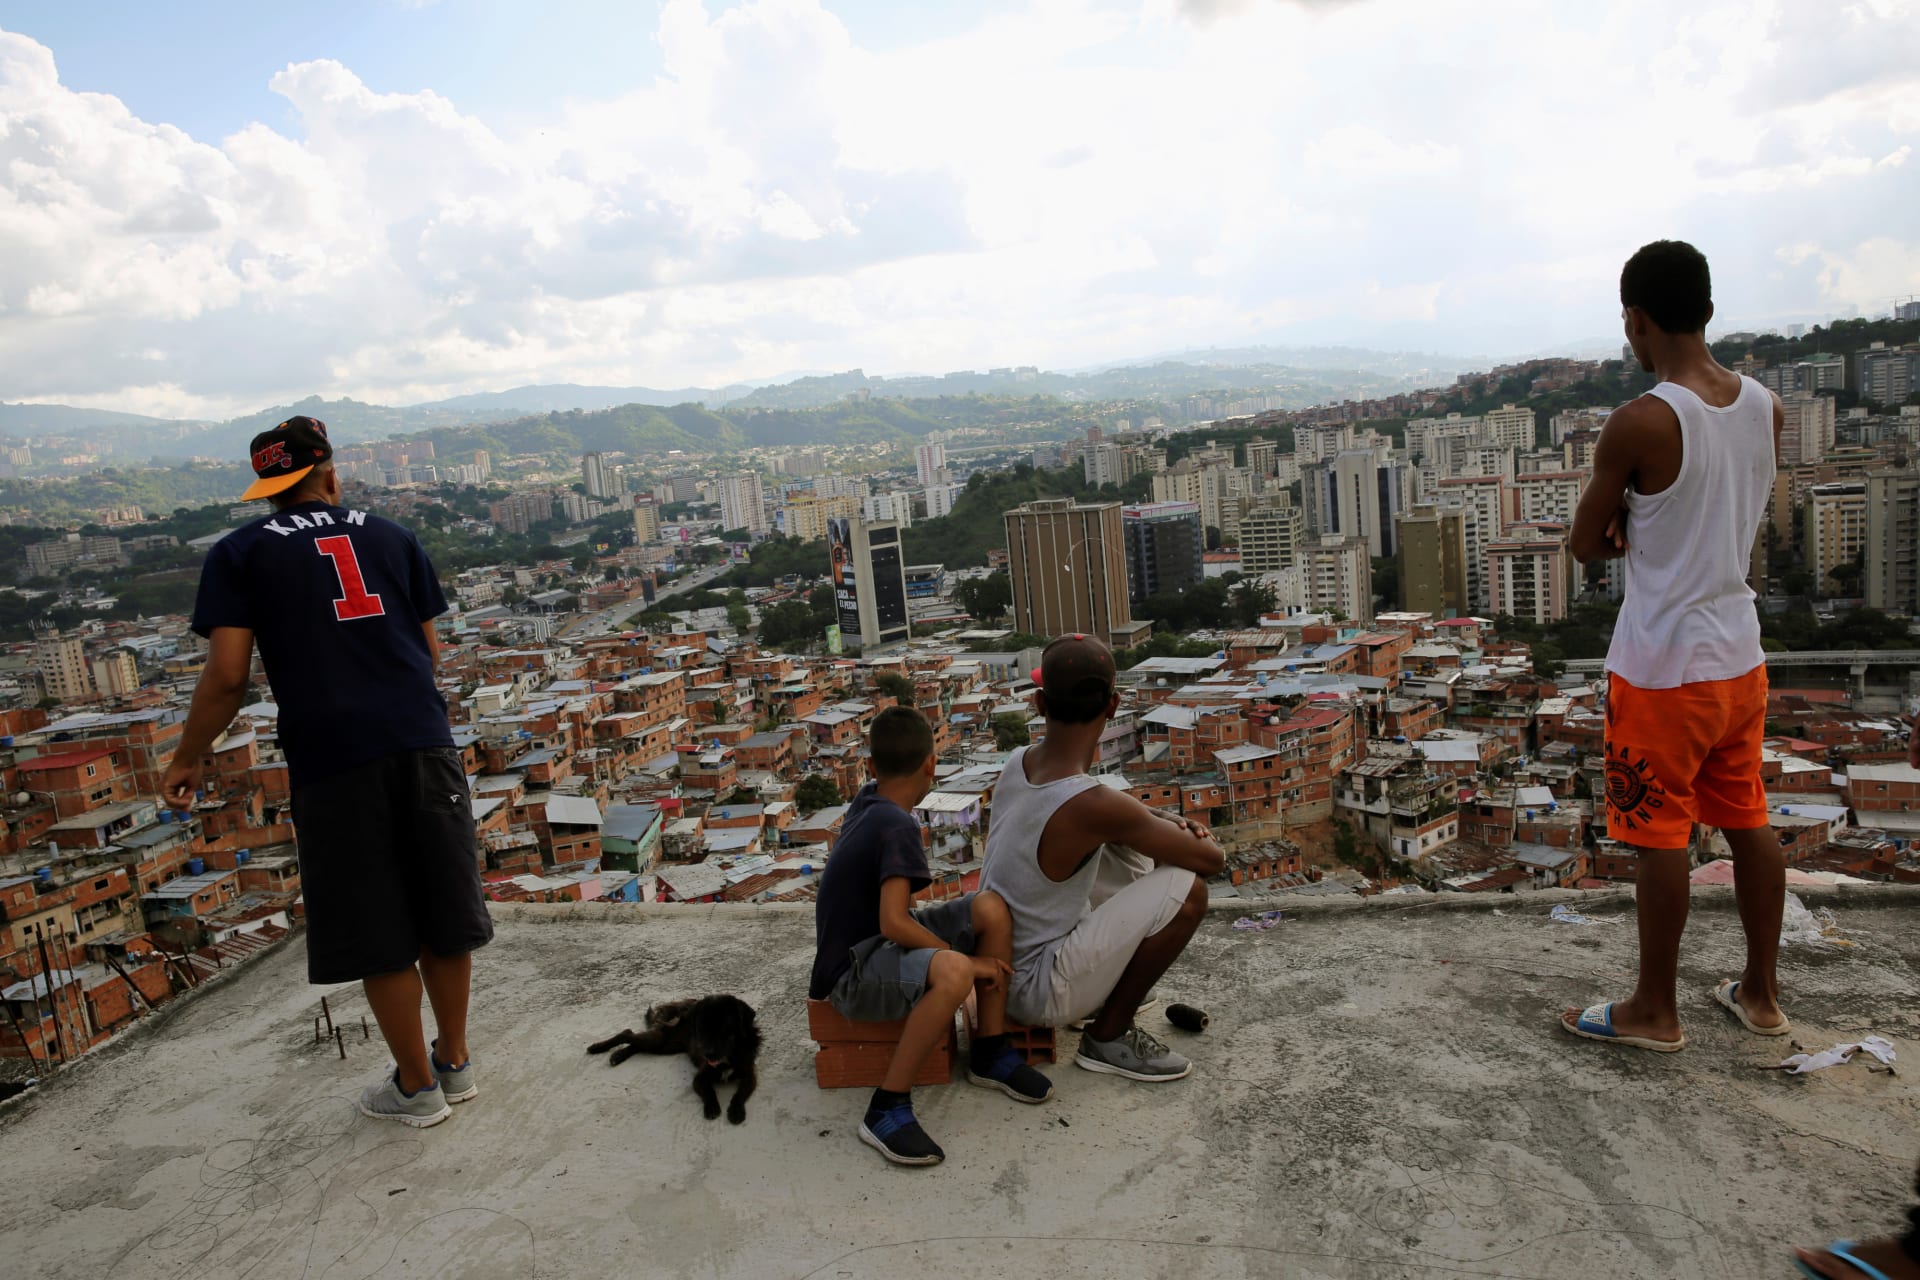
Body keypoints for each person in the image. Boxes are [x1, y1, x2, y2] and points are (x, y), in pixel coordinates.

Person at [162, 416, 490, 1128]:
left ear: (268, 491)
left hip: (335, 758)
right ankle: (455, 1063)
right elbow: (430, 653)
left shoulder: (240, 553)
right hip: (424, 743)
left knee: (380, 925)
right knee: (443, 913)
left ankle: (414, 1086)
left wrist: (187, 754)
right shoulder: (393, 535)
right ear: (331, 474)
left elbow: (226, 679)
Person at [1562, 240, 1785, 1052]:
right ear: (1710, 310)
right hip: (1739, 656)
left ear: (1636, 320)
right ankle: (1760, 993)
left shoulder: (1643, 420)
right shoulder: (1766, 404)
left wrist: (1623, 516)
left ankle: (1656, 1009)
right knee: (1747, 820)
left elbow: (1585, 544)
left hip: (1663, 668)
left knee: (1660, 837)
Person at [809, 704, 1052, 1167]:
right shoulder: (896, 823)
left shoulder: (871, 799)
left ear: (872, 765)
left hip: (875, 945)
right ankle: (886, 1108)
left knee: (991, 907)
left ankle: (990, 1050)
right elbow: (894, 924)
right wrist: (967, 963)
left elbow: (895, 919)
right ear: (930, 764)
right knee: (957, 971)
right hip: (853, 970)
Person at [980, 633, 1225, 1082]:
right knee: (1188, 890)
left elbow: (1100, 812)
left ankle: (1101, 997)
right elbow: (1212, 860)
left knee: (1127, 837)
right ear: (1111, 707)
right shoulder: (1094, 805)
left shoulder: (1019, 761)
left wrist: (1152, 818)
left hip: (996, 974)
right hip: (1037, 990)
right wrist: (1179, 830)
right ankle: (1109, 1034)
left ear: (1039, 703)